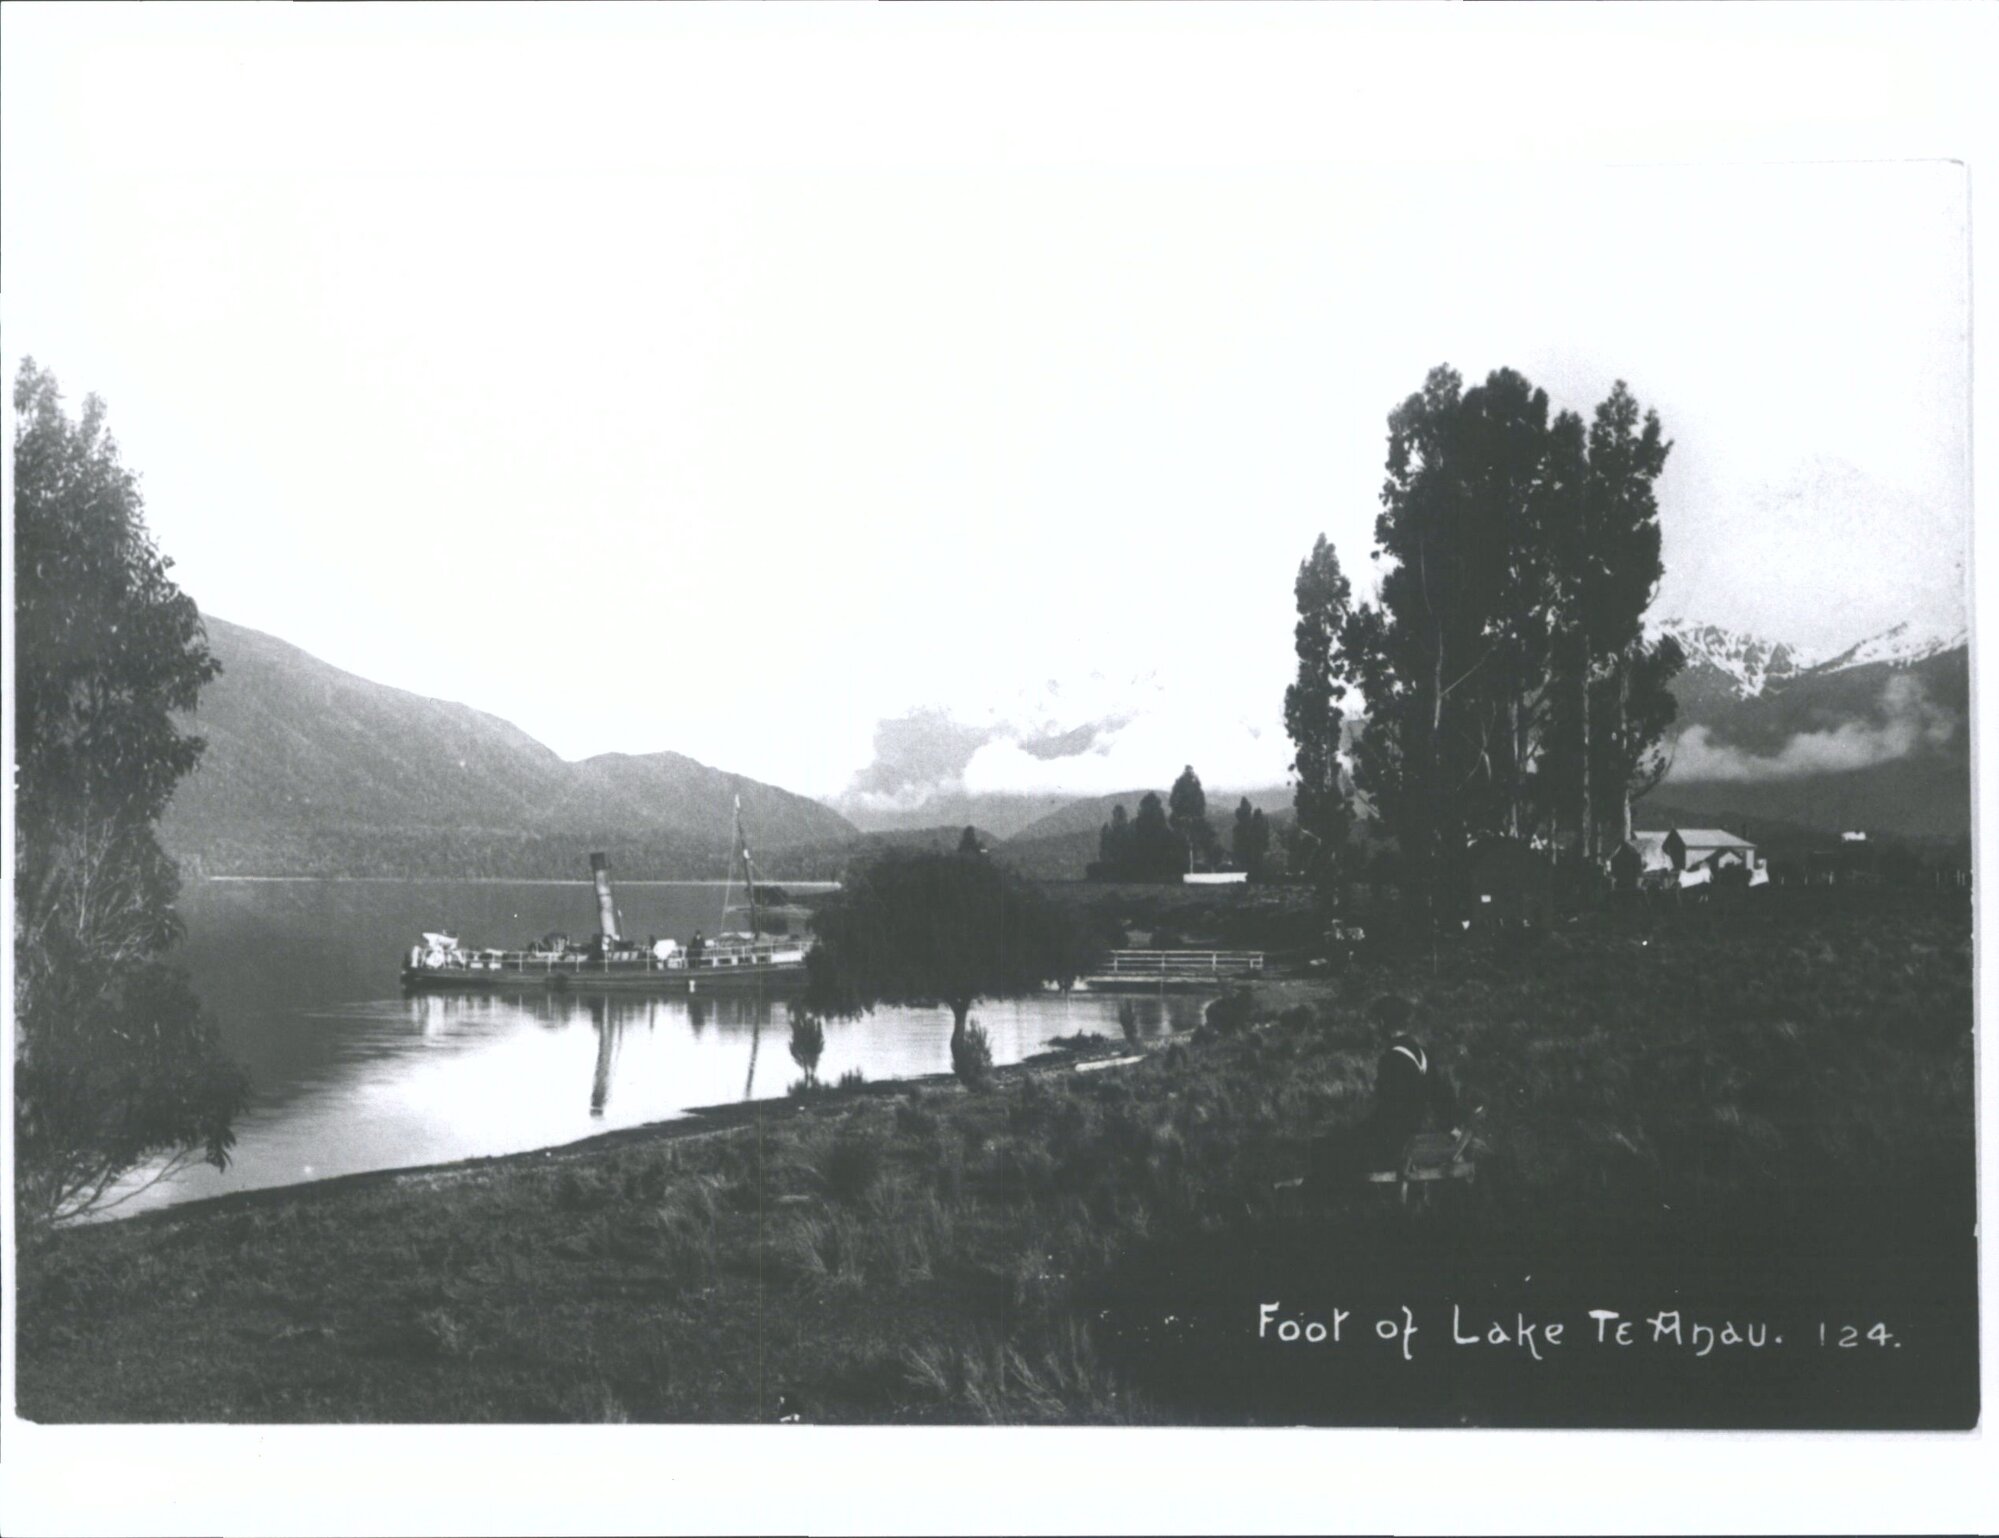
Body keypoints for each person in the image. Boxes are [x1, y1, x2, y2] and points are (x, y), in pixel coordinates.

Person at [1308, 994, 1461, 1194]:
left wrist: (1363, 1129)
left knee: (1332, 1148)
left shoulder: (1391, 1059)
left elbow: (1389, 1110)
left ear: (1381, 1023)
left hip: (1394, 1140)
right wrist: (1451, 1127)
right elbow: (1441, 1097)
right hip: (1417, 1135)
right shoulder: (1423, 1054)